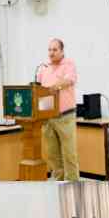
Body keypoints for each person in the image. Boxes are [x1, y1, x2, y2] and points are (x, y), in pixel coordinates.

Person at [37, 38, 80, 181]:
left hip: (65, 116)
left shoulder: (69, 64)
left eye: (55, 50)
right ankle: (60, 183)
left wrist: (54, 87)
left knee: (69, 155)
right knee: (52, 156)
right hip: (47, 117)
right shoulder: (43, 68)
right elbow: (37, 89)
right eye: (49, 49)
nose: (51, 53)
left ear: (62, 51)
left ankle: (73, 185)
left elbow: (69, 81)